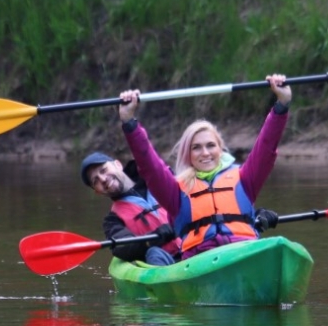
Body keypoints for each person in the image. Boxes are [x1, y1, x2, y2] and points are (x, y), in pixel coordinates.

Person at [117, 74, 290, 259]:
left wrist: (282, 105)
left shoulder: (245, 178)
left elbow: (266, 147)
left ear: (220, 148)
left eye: (210, 145)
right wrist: (129, 122)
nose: (205, 153)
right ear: (188, 154)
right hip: (201, 259)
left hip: (243, 252)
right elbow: (150, 166)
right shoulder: (175, 193)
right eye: (196, 148)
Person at [79, 151, 179, 266]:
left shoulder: (159, 179)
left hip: (193, 249)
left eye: (103, 170)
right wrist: (155, 237)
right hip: (165, 262)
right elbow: (124, 249)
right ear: (97, 191)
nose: (102, 179)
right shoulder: (112, 221)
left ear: (118, 165)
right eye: (95, 181)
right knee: (154, 253)